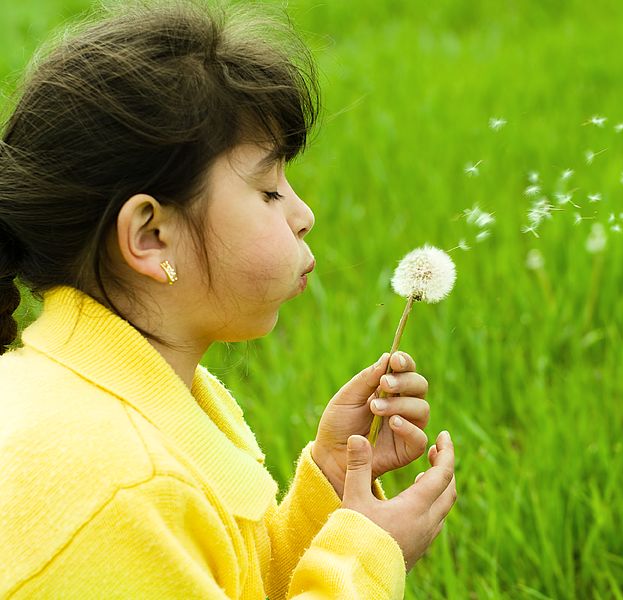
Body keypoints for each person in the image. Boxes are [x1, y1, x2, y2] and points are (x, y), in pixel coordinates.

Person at [0, 1, 457, 597]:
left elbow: (218, 577)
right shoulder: (119, 488)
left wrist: (329, 485)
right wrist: (366, 561)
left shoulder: (143, 398)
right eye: (268, 190)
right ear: (150, 235)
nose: (304, 215)